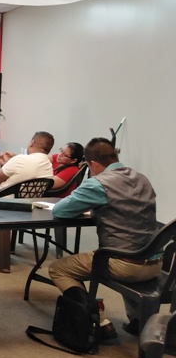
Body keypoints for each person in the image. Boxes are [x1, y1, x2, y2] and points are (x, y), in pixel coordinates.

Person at [49, 138, 158, 341]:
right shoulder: (142, 178)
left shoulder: (99, 183)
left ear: (92, 164)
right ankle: (138, 320)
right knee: (129, 246)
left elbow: (60, 210)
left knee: (59, 269)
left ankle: (98, 321)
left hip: (125, 265)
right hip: (155, 263)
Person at [0, 131, 54, 256]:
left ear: (32, 142)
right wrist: (9, 163)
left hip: (2, 206)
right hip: (28, 208)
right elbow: (22, 173)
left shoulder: (21, 159)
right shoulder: (48, 165)